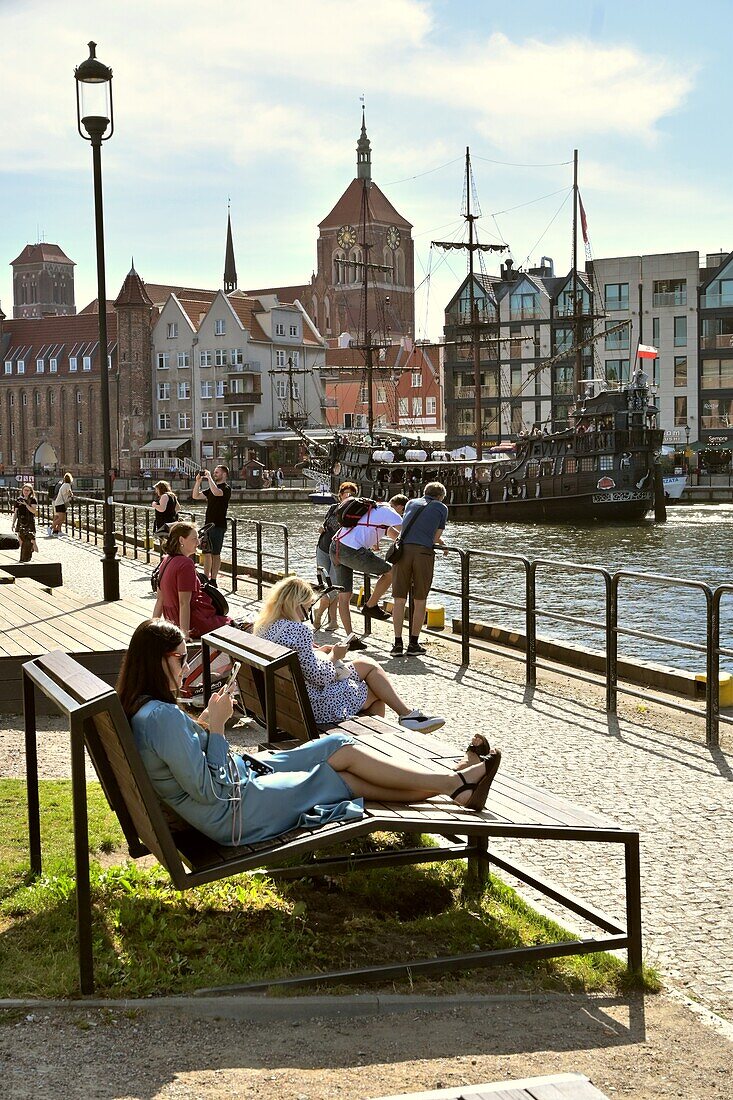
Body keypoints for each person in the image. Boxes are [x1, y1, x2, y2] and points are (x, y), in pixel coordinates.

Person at [117, 619, 500, 847]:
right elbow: (208, 789)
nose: (186, 668)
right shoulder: (160, 718)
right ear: (156, 661)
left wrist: (203, 727)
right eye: (181, 659)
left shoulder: (148, 711)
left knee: (338, 746)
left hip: (238, 785)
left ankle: (454, 783)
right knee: (341, 773)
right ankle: (456, 784)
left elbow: (188, 767)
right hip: (235, 810)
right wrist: (216, 727)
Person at [254, 576, 446, 734]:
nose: (308, 613)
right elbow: (319, 677)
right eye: (308, 607)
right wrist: (334, 656)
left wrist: (316, 652)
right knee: (376, 695)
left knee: (366, 664)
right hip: (312, 705)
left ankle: (407, 716)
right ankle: (389, 735)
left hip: (284, 699)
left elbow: (296, 660)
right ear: (296, 604)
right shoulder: (298, 630)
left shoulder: (264, 627)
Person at [329, 496, 403, 635]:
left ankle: (350, 638)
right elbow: (405, 531)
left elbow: (395, 535)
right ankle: (370, 605)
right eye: (402, 511)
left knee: (344, 596)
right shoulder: (389, 512)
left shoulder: (372, 510)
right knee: (390, 573)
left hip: (336, 546)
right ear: (400, 507)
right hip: (351, 551)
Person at [390, 482, 448, 657]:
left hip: (403, 552)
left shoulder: (411, 503)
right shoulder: (441, 507)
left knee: (399, 598)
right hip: (423, 554)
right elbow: (435, 537)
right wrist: (443, 544)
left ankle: (397, 644)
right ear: (440, 496)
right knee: (420, 599)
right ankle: (414, 644)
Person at [152, 521, 230, 641]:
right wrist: (184, 634)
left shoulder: (166, 560)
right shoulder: (186, 563)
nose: (198, 542)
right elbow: (184, 603)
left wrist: (152, 629)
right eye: (194, 539)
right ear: (182, 540)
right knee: (235, 624)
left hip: (172, 621)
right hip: (194, 622)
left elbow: (160, 600)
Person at [313, 481, 356, 633]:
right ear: (340, 495)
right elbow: (325, 525)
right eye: (346, 494)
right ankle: (333, 621)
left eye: (351, 494)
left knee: (333, 587)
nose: (348, 496)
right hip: (323, 548)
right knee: (327, 585)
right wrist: (321, 528)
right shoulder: (333, 508)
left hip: (339, 552)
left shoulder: (355, 513)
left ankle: (319, 614)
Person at [192, 464, 231, 584]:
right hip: (208, 525)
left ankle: (213, 579)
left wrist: (209, 478)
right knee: (206, 553)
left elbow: (216, 493)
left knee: (215, 553)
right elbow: (195, 496)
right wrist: (198, 482)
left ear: (224, 474)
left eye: (217, 472)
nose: (214, 474)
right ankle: (205, 578)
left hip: (218, 525)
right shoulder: (211, 488)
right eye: (214, 472)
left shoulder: (226, 488)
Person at [12, 483, 38, 562]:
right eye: (24, 490)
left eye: (28, 490)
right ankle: (25, 554)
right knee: (20, 539)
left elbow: (33, 511)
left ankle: (30, 553)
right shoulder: (19, 499)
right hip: (20, 521)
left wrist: (26, 504)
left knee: (31, 538)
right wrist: (13, 523)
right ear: (22, 490)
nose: (26, 492)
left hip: (29, 521)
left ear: (31, 491)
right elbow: (16, 512)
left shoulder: (32, 499)